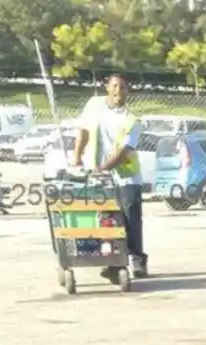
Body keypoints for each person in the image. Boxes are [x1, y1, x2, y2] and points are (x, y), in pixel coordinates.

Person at [71, 73, 147, 280]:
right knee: (106, 220)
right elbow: (83, 133)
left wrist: (104, 167)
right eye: (114, 86)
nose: (118, 92)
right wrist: (76, 158)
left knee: (129, 217)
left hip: (126, 177)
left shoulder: (132, 121)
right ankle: (112, 262)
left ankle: (137, 258)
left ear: (128, 91)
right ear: (107, 87)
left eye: (123, 88)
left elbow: (124, 152)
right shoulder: (94, 106)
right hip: (98, 176)